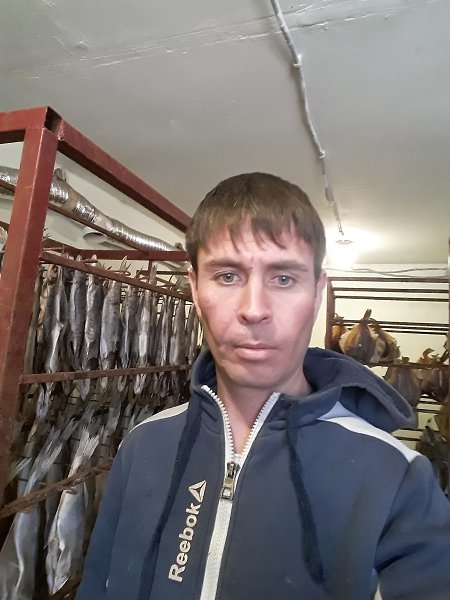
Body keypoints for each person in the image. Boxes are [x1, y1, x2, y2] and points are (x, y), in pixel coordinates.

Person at [77, 172, 450, 600]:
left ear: (317, 294)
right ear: (195, 289)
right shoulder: (142, 445)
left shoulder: (398, 478)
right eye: (227, 276)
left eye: (283, 278)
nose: (254, 310)